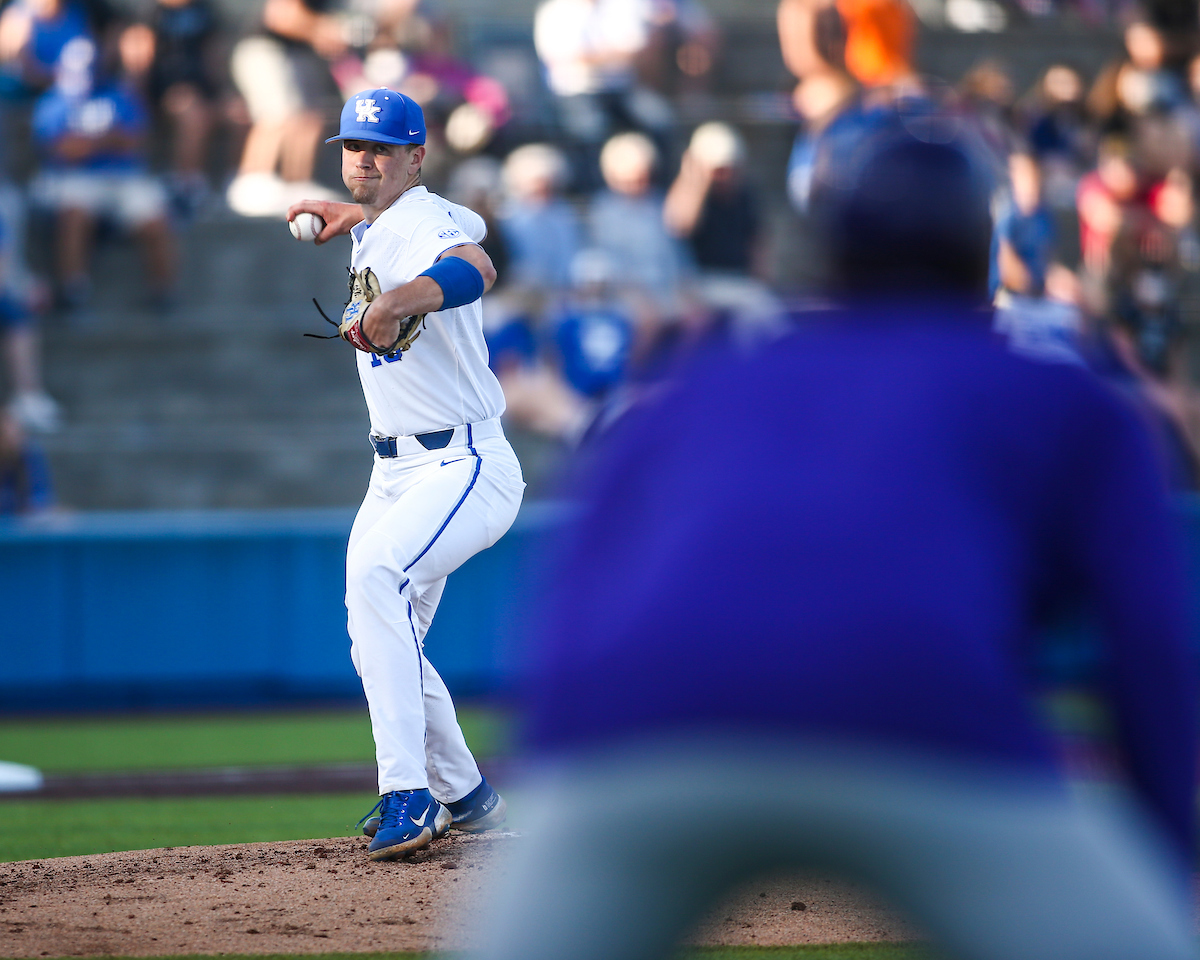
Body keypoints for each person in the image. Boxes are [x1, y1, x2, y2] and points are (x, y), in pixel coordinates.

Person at [470, 109, 1198, 960]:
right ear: (981, 256)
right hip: (923, 716)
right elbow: (1151, 648)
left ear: (831, 257)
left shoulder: (710, 385)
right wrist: (1173, 869)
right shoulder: (1064, 398)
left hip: (633, 728)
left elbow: (570, 594)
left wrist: (566, 787)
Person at [287, 88, 524, 862]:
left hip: (465, 462)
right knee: (380, 635)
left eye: (382, 148)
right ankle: (469, 797)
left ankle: (409, 794)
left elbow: (475, 261)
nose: (364, 158)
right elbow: (463, 222)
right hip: (393, 467)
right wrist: (355, 216)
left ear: (416, 156)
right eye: (354, 145)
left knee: (376, 581)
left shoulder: (426, 223)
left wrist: (398, 299)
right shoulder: (393, 219)